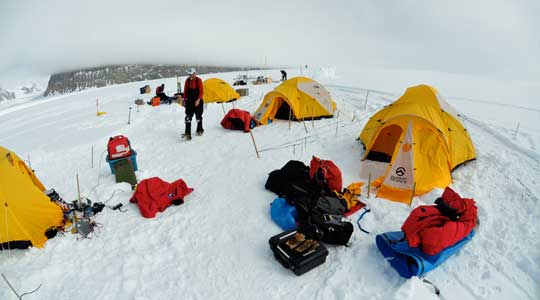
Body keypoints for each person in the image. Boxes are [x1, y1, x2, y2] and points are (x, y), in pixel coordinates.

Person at [182, 67, 204, 139]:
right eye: (189, 74)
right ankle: (188, 134)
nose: (190, 76)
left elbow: (201, 92)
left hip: (198, 100)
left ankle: (199, 130)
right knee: (188, 117)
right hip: (190, 101)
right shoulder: (187, 81)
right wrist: (184, 100)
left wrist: (198, 100)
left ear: (195, 73)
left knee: (198, 117)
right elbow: (185, 91)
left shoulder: (199, 80)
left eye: (192, 74)